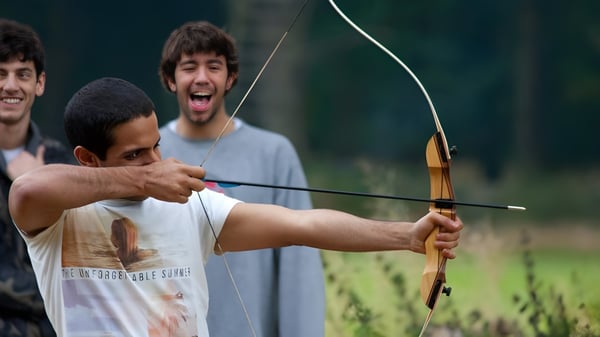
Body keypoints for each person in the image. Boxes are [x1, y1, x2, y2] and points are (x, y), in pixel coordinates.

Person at [8, 76, 463, 337]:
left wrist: (405, 235)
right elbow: (27, 191)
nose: (155, 162)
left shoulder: (191, 206)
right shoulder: (57, 217)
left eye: (156, 148)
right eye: (134, 155)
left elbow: (302, 225)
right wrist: (146, 178)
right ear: (87, 158)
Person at [157, 21, 325, 337]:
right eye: (189, 67)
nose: (202, 77)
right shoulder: (147, 156)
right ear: (170, 79)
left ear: (231, 78)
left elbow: (299, 261)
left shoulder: (274, 153)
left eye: (214, 67)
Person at [0, 18, 73, 337]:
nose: (10, 85)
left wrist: (39, 184)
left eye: (23, 74)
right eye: (0, 74)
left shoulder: (63, 164)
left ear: (39, 84)